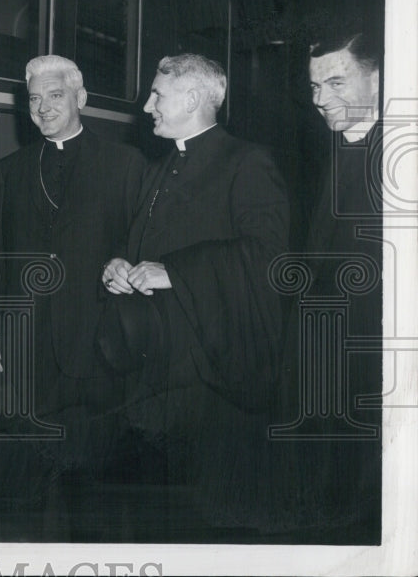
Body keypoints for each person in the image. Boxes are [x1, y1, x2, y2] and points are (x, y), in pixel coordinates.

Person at [98, 53, 289, 527]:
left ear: (195, 98)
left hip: (210, 382)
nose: (147, 107)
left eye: (158, 95)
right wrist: (116, 266)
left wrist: (174, 272)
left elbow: (269, 258)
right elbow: (138, 247)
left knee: (204, 524)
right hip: (150, 377)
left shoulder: (247, 162)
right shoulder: (159, 167)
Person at [0, 55, 145, 488]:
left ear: (82, 98)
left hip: (96, 334)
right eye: (35, 99)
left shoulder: (125, 164)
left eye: (55, 96)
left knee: (93, 473)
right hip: (26, 338)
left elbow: (139, 245)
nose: (43, 108)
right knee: (30, 471)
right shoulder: (10, 170)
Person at [281, 31, 382, 537]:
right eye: (315, 86)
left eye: (336, 82)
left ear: (379, 78)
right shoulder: (333, 146)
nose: (320, 100)